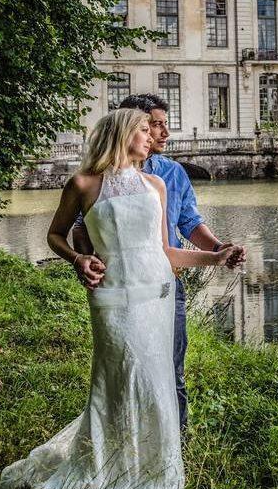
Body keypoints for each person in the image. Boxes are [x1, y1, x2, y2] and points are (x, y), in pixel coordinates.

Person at [0, 108, 239, 489]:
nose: (152, 136)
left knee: (154, 379)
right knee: (119, 376)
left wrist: (214, 257)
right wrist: (78, 259)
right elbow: (56, 235)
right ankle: (104, 461)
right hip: (112, 296)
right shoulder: (82, 184)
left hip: (155, 292)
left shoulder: (156, 186)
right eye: (144, 129)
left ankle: (150, 464)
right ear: (121, 133)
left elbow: (164, 251)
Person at [71, 94, 245, 432]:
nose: (162, 133)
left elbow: (190, 223)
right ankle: (122, 439)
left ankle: (172, 444)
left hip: (166, 281)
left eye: (164, 125)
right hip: (120, 287)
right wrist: (82, 259)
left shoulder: (170, 173)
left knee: (171, 369)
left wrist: (220, 249)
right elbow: (81, 226)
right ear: (131, 126)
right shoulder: (96, 178)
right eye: (155, 125)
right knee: (124, 367)